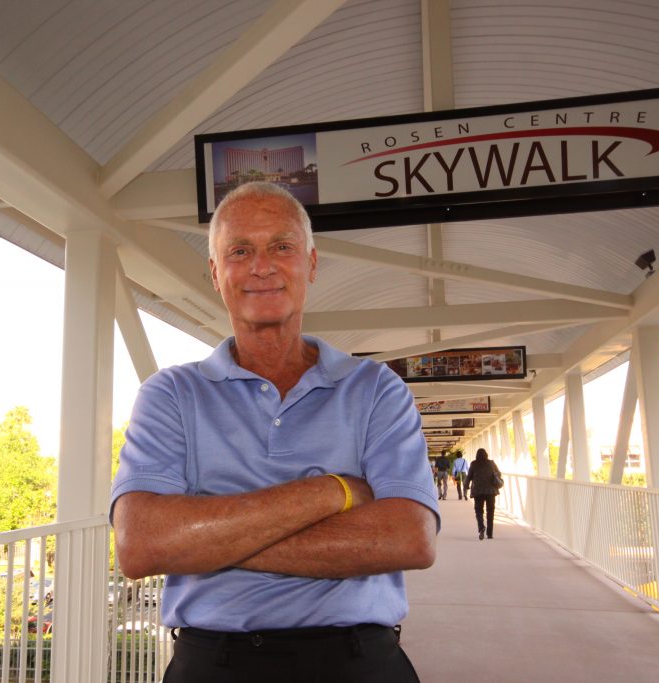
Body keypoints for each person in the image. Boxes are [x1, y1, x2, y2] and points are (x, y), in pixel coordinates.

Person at [110, 181, 439, 682]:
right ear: (216, 274)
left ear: (310, 262)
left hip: (358, 661)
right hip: (213, 664)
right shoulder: (171, 394)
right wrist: (334, 491)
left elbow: (408, 538)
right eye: (240, 251)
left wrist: (205, 538)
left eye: (281, 247)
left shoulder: (375, 389)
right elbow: (141, 546)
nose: (262, 266)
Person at [465, 448, 501, 540]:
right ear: (486, 454)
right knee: (490, 512)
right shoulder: (491, 463)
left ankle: (481, 527)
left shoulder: (473, 464)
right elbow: (499, 474)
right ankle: (490, 534)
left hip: (478, 491)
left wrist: (466, 486)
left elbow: (469, 476)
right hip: (491, 491)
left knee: (479, 510)